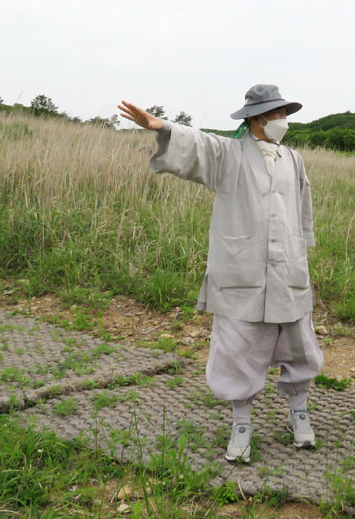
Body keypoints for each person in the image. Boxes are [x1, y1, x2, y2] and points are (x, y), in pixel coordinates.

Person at [117, 84, 323, 464]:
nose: (284, 121)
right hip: (240, 269)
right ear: (258, 118)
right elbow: (197, 144)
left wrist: (301, 248)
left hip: (288, 268)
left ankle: (299, 411)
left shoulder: (294, 159)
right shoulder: (229, 154)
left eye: (284, 113)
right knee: (238, 345)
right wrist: (162, 127)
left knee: (298, 342)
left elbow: (303, 207)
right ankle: (241, 423)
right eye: (279, 114)